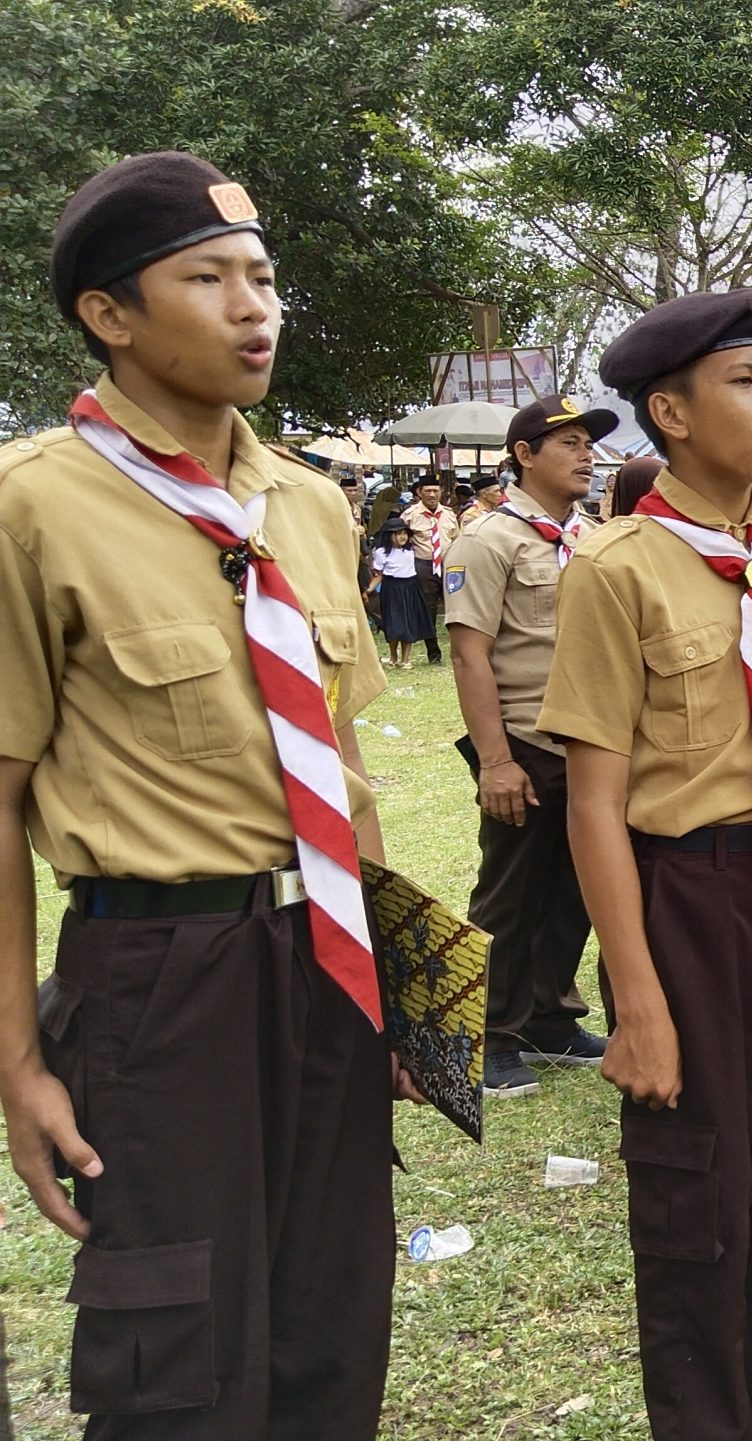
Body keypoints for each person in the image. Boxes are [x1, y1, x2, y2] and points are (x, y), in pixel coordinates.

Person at [2, 149, 411, 1440]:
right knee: (173, 1345)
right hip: (158, 971)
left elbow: (334, 765)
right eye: (210, 278)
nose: (257, 309)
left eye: (265, 279)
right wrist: (17, 1060)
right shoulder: (36, 509)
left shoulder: (307, 504)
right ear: (109, 316)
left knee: (331, 1321)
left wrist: (387, 972)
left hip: (325, 961)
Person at [542, 288, 752, 1441]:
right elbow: (592, 801)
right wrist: (635, 998)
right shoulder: (616, 568)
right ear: (670, 415)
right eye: (746, 382)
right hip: (693, 897)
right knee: (698, 1203)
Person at [443, 394, 615, 1099]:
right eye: (569, 442)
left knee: (578, 890)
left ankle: (548, 1014)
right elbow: (469, 655)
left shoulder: (594, 537)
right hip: (527, 738)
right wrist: (496, 760)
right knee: (511, 894)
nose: (587, 454)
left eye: (588, 443)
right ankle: (488, 1034)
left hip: (592, 743)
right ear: (524, 454)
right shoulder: (490, 541)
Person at [402, 476, 459, 664]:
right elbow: (401, 541)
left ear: (441, 492)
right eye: (427, 491)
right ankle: (433, 653)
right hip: (423, 566)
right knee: (428, 610)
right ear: (419, 493)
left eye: (435, 491)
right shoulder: (410, 515)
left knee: (457, 608)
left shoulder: (449, 514)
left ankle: (460, 651)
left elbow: (457, 539)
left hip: (449, 564)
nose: (432, 495)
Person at [369, 517, 433, 667]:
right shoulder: (382, 553)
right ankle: (393, 656)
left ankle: (405, 659)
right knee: (392, 622)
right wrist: (369, 589)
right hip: (391, 589)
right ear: (388, 535)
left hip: (410, 587)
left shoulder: (410, 551)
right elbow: (379, 575)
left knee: (408, 622)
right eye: (397, 533)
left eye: (404, 533)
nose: (402, 537)